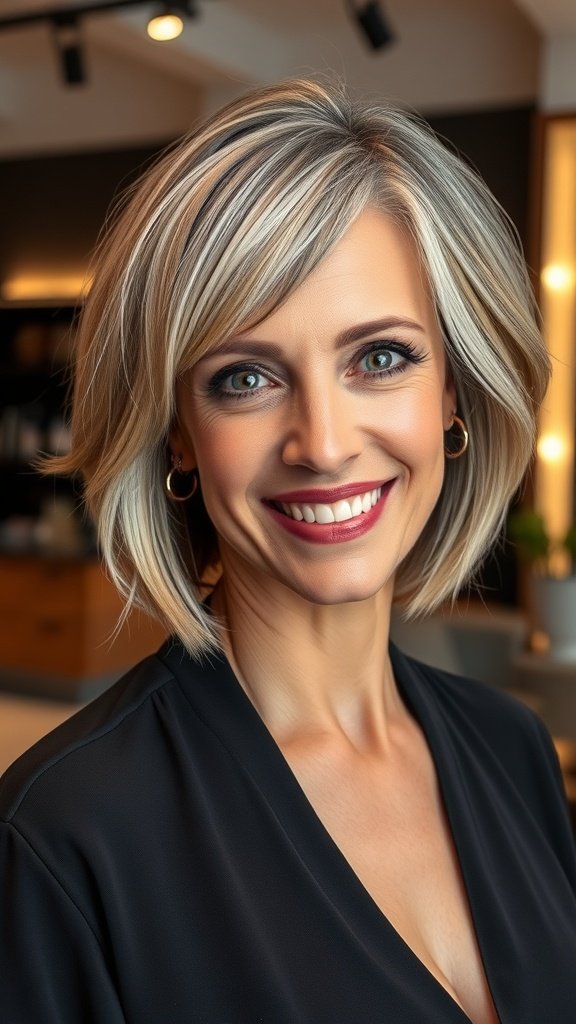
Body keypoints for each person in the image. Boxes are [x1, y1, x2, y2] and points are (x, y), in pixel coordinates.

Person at [1, 78, 575, 1024]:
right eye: (247, 377)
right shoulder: (69, 834)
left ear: (453, 396)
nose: (324, 441)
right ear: (178, 433)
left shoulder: (510, 751)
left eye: (380, 358)